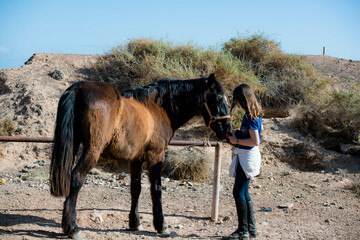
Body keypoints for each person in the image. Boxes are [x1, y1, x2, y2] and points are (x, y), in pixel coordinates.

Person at [223, 83, 263, 240]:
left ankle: (243, 231)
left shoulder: (251, 116)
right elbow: (251, 136)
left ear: (243, 99)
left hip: (247, 156)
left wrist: (237, 140)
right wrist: (238, 134)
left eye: (237, 100)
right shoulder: (252, 114)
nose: (237, 104)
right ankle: (250, 229)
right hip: (246, 156)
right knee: (244, 192)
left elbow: (255, 141)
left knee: (238, 192)